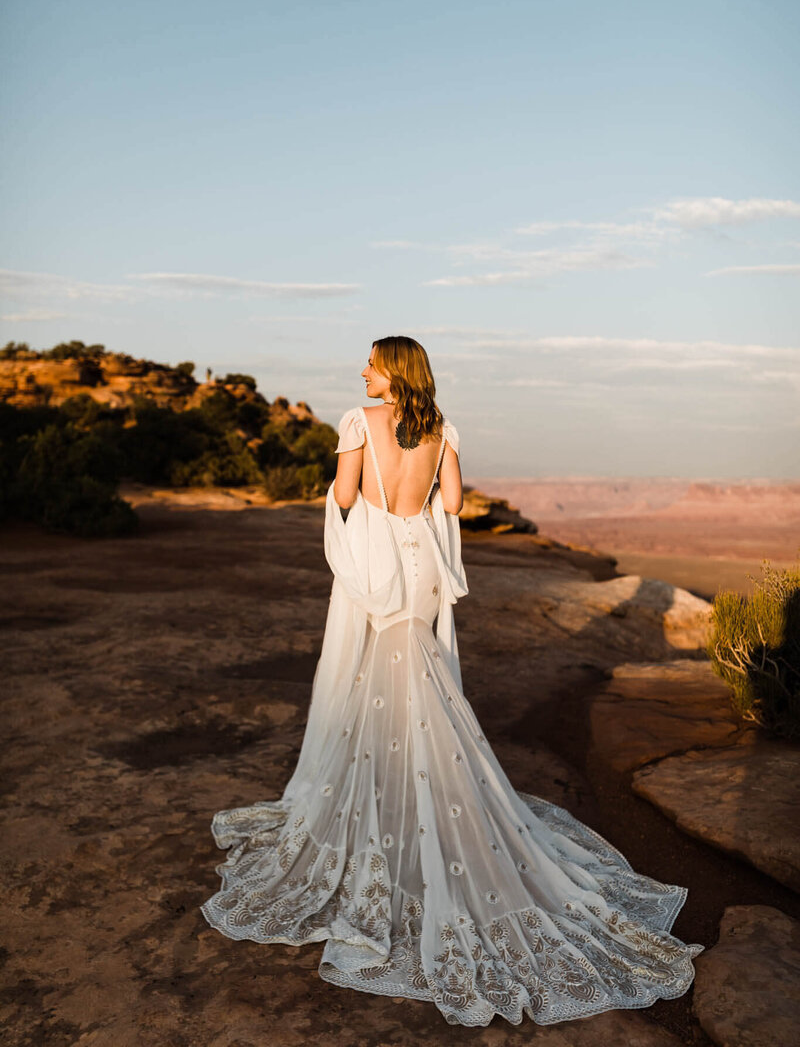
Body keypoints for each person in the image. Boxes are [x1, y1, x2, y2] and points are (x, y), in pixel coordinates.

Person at [201, 335, 704, 1027]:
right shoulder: (441, 428)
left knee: (373, 686)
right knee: (423, 682)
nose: (361, 371)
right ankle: (429, 790)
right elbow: (457, 503)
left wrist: (355, 492)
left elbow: (346, 496)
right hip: (422, 567)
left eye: (371, 363)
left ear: (392, 371)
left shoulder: (358, 421)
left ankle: (391, 804)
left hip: (378, 563)